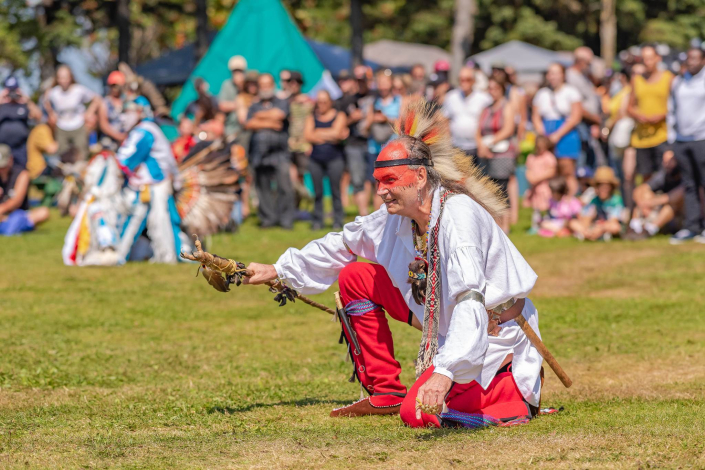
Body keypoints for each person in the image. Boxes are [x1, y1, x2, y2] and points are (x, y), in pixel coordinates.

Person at [243, 100, 543, 428]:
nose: (382, 191)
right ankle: (386, 391)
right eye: (378, 181)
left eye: (390, 180)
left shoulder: (458, 216)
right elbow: (343, 242)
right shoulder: (395, 215)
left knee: (418, 415)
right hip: (442, 320)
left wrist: (443, 374)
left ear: (419, 177)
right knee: (355, 276)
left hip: (490, 333)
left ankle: (506, 390)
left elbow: (470, 300)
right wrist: (276, 270)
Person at [245, 73, 295, 229]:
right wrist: (270, 122)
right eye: (262, 85)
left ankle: (286, 219)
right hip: (259, 153)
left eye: (268, 84)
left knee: (284, 186)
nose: (265, 88)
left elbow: (280, 117)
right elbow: (249, 123)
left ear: (273, 85)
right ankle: (268, 218)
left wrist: (259, 117)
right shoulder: (254, 105)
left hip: (280, 152)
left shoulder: (282, 102)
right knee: (263, 187)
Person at [667, 47, 705, 244]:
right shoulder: (679, 81)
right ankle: (692, 227)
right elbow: (671, 109)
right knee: (689, 185)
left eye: (695, 58)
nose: (691, 62)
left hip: (702, 139)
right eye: (689, 58)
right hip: (682, 140)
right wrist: (672, 138)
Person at [532, 63, 583, 196]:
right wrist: (543, 135)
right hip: (547, 133)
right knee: (548, 170)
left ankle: (568, 201)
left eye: (556, 73)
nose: (552, 76)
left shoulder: (571, 92)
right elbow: (536, 117)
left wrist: (558, 135)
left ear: (563, 75)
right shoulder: (542, 93)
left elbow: (576, 116)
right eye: (550, 73)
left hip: (566, 134)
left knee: (566, 171)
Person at [476, 77, 517, 233]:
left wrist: (489, 143)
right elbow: (478, 130)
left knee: (502, 189)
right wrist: (481, 145)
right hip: (487, 155)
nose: (491, 92)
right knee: (489, 190)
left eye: (495, 88)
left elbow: (508, 129)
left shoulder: (507, 106)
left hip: (503, 154)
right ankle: (493, 224)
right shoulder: (485, 109)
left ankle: (504, 226)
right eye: (490, 88)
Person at [627, 45, 673, 183]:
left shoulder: (668, 78)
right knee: (646, 178)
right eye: (644, 59)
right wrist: (639, 115)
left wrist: (662, 115)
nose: (647, 62)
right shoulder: (637, 80)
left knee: (665, 176)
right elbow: (630, 107)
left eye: (650, 58)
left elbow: (677, 106)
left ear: (658, 58)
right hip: (642, 138)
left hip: (662, 135)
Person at [304, 90, 349, 230]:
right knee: (317, 192)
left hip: (335, 159)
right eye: (319, 102)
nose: (321, 104)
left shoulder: (339, 115)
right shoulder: (312, 117)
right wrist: (331, 134)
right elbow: (308, 136)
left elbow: (337, 133)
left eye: (324, 101)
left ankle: (338, 220)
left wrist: (318, 133)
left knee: (336, 191)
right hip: (315, 160)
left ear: (331, 102)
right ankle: (317, 220)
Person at [45, 65, 101, 161]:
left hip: (78, 125)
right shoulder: (54, 92)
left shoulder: (79, 90)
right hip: (61, 126)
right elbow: (45, 101)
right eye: (61, 78)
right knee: (63, 155)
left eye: (65, 77)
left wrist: (89, 113)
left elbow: (96, 99)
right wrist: (51, 113)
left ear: (70, 77)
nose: (63, 80)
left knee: (81, 154)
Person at [337, 69, 373, 216]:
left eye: (364, 81)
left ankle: (374, 213)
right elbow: (340, 123)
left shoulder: (375, 96)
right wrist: (352, 118)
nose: (361, 84)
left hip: (374, 143)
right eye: (359, 81)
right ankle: (363, 214)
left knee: (373, 180)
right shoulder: (347, 100)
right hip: (354, 144)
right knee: (357, 180)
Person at [364, 71, 402, 209]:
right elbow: (365, 127)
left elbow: (402, 125)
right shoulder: (373, 102)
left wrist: (387, 119)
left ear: (391, 83)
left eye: (385, 83)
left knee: (395, 186)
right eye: (380, 83)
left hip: (393, 151)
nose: (383, 86)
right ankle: (378, 219)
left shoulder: (399, 101)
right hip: (375, 149)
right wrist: (372, 119)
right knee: (378, 186)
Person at [626, 152, 683, 241]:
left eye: (669, 161)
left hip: (679, 216)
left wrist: (648, 203)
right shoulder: (664, 174)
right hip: (657, 211)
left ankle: (650, 230)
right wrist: (643, 205)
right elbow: (639, 190)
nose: (666, 164)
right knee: (645, 194)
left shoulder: (686, 176)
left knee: (671, 206)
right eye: (664, 161)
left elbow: (672, 197)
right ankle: (634, 228)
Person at [443, 67, 492, 159]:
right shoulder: (451, 97)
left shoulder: (484, 98)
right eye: (461, 79)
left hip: (477, 147)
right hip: (456, 146)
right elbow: (445, 120)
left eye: (468, 80)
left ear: (474, 81)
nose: (464, 82)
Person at [0, 144, 50, 235]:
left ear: (10, 159)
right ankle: (19, 227)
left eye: (3, 166)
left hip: (19, 214)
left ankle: (17, 226)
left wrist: (2, 209)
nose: (1, 169)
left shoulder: (22, 174)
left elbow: (16, 201)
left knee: (43, 212)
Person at [566, 47, 603, 168]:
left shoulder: (583, 76)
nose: (590, 66)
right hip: (581, 125)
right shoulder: (571, 76)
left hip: (589, 124)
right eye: (589, 63)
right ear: (580, 61)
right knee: (583, 163)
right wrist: (595, 119)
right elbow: (577, 106)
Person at [568, 166, 624, 241]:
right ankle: (588, 234)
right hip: (594, 226)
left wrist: (601, 228)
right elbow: (586, 218)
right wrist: (588, 229)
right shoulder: (593, 200)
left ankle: (594, 234)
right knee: (573, 223)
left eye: (606, 187)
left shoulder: (616, 200)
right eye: (600, 186)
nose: (603, 189)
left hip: (607, 226)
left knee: (615, 227)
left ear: (611, 187)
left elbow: (614, 221)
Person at [286, 71, 314, 209]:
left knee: (300, 176)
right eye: (291, 82)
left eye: (296, 82)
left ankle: (300, 203)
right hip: (289, 143)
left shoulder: (308, 101)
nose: (293, 85)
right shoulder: (285, 100)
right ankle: (305, 198)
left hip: (303, 144)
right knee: (291, 177)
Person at [0, 76, 42, 170]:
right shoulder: (2, 106)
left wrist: (27, 100)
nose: (12, 93)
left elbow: (39, 116)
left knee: (21, 170)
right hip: (2, 146)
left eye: (14, 90)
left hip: (20, 147)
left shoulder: (23, 105)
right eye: (10, 90)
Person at [524, 135, 558, 233]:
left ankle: (548, 225)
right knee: (536, 208)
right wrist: (531, 178)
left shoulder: (548, 157)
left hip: (544, 187)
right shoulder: (532, 157)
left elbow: (551, 171)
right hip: (535, 188)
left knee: (547, 207)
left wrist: (538, 178)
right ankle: (535, 226)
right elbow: (528, 170)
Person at [218, 55, 248, 139]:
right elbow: (222, 105)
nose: (237, 74)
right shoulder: (227, 85)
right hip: (231, 128)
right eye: (235, 71)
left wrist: (242, 87)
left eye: (240, 71)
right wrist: (240, 105)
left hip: (248, 126)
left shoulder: (249, 84)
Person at [98, 71, 129, 149]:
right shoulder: (105, 102)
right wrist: (119, 137)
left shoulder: (126, 101)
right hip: (110, 140)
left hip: (127, 139)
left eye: (117, 86)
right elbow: (103, 125)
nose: (115, 89)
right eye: (113, 86)